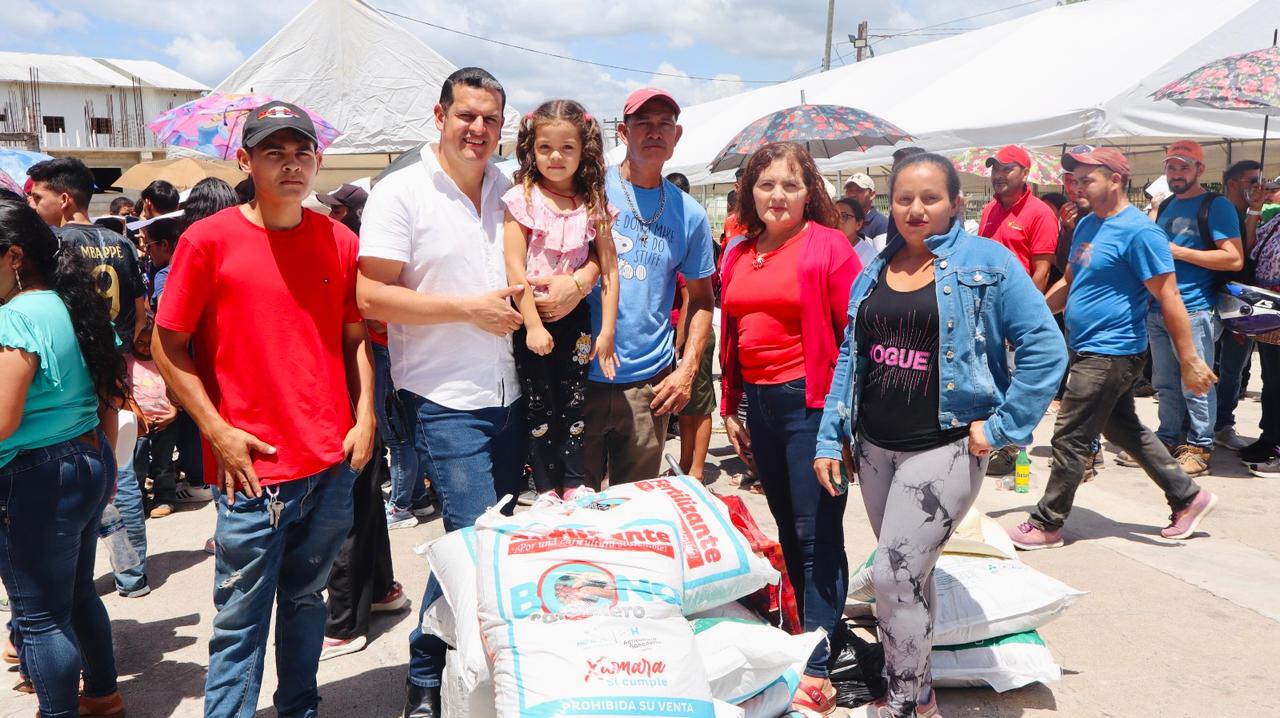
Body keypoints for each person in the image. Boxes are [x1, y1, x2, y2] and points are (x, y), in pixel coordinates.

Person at [815, 153, 1066, 718]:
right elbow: (852, 357)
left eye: (930, 198)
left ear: (955, 203)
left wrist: (1002, 426)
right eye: (904, 198)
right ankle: (922, 695)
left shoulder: (987, 262)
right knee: (911, 577)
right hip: (875, 448)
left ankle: (905, 703)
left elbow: (1046, 348)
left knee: (891, 576)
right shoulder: (874, 268)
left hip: (945, 446)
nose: (916, 209)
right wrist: (832, 435)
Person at [152, 100, 376, 718]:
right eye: (275, 153)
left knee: (306, 601)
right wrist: (216, 430)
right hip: (251, 470)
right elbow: (167, 346)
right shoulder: (207, 240)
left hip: (330, 461)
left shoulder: (339, 240)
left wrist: (366, 418)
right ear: (246, 161)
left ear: (318, 161)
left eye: (302, 152)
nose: (291, 165)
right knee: (240, 621)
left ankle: (299, 706)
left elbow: (355, 339)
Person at [357, 68, 563, 718]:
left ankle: (445, 670)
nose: (478, 129)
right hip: (442, 397)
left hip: (511, 394)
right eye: (467, 115)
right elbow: (370, 295)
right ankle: (428, 683)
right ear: (440, 115)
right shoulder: (401, 192)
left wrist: (570, 286)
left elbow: (567, 248)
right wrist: (466, 310)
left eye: (490, 119)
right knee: (474, 544)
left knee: (482, 546)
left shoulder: (514, 191)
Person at [1008, 146, 1219, 551]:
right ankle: (1189, 497)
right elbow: (1070, 283)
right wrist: (1030, 318)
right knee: (1125, 430)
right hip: (1087, 347)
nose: (1076, 186)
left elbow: (1170, 296)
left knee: (1070, 435)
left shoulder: (1140, 232)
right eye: (1074, 179)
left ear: (1116, 180)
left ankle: (1047, 523)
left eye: (1086, 179)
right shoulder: (1087, 225)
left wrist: (1190, 359)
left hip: (1113, 351)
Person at [720, 142, 862, 714]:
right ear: (750, 192)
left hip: (812, 404)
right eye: (766, 185)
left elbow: (856, 339)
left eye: (790, 185)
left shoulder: (828, 246)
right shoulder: (738, 251)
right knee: (787, 528)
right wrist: (731, 405)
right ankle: (811, 635)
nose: (777, 195)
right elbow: (734, 334)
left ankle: (817, 663)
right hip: (760, 405)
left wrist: (841, 423)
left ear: (810, 193)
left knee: (816, 534)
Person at [0, 197, 129, 718]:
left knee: (38, 618)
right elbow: (109, 394)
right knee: (76, 597)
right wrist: (108, 462)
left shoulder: (16, 318)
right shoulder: (70, 303)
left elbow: (2, 419)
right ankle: (103, 695)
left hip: (33, 475)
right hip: (85, 458)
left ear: (14, 256)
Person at [27, 157, 152, 598]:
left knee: (78, 466)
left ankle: (71, 580)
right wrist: (119, 348)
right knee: (120, 466)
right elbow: (140, 311)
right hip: (113, 363)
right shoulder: (121, 242)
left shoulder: (53, 244)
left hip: (72, 369)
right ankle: (132, 575)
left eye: (37, 197)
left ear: (63, 199)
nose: (31, 205)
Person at [585, 87, 715, 487]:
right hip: (580, 377)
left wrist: (687, 369)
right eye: (643, 123)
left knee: (635, 504)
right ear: (624, 132)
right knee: (572, 505)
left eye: (665, 124)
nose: (655, 132)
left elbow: (703, 299)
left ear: (677, 136)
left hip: (647, 386)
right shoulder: (589, 189)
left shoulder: (690, 214)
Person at [503, 99, 620, 496]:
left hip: (577, 320)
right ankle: (545, 487)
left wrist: (607, 331)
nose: (555, 156)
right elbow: (514, 267)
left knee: (575, 401)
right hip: (532, 319)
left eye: (567, 147)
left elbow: (610, 268)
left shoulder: (594, 202)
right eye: (545, 147)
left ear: (583, 150)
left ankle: (573, 482)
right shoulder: (523, 199)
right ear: (531, 150)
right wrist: (533, 325)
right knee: (539, 404)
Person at [1141, 140, 1242, 476]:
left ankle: (1200, 446)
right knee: (1164, 383)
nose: (1176, 173)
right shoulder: (1167, 204)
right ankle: (1168, 437)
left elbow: (1233, 258)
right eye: (1171, 167)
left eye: (1184, 166)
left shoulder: (1216, 205)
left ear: (1200, 168)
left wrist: (1179, 252)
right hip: (1158, 309)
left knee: (1195, 383)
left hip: (1194, 309)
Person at [1214, 159, 1264, 452]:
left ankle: (1223, 424)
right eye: (1252, 181)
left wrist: (1254, 212)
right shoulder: (1220, 211)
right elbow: (1238, 254)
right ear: (1233, 183)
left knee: (1234, 369)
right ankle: (1195, 428)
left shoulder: (1252, 214)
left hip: (1244, 304)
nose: (1259, 186)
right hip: (1214, 298)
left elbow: (1251, 251)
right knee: (1207, 366)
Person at [977, 145, 1058, 291]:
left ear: (1025, 174)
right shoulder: (989, 209)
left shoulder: (1041, 213)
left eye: (1006, 169)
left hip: (1017, 299)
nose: (998, 175)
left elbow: (1042, 273)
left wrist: (1027, 304)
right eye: (995, 169)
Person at [843, 172, 888, 242]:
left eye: (859, 190)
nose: (852, 195)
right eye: (850, 190)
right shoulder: (842, 221)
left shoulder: (881, 224)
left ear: (872, 195)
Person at [835, 196, 875, 265]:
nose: (837, 221)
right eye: (834, 215)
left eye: (844, 216)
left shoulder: (870, 258)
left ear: (859, 224)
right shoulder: (826, 250)